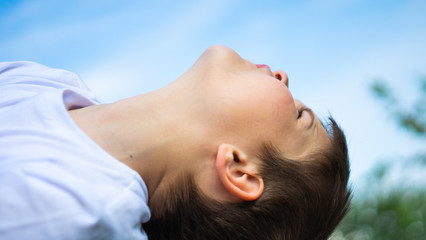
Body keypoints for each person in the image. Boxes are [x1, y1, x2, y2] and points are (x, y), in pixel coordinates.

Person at [0, 45, 351, 240]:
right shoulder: (48, 83)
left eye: (300, 116)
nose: (283, 76)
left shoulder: (77, 218)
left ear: (240, 169)